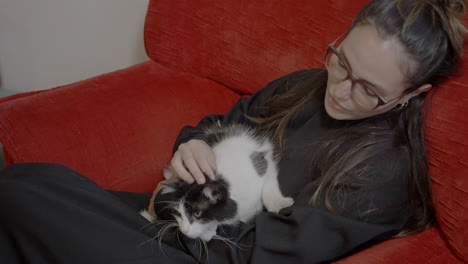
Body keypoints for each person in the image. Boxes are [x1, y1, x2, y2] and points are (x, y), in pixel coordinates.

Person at [0, 0, 466, 263]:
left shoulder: (383, 174)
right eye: (342, 61)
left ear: (410, 94)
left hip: (207, 253)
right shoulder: (307, 85)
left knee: (20, 202)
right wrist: (193, 145)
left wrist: (173, 219)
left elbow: (256, 255)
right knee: (32, 181)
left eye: (369, 90)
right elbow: (224, 124)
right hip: (179, 219)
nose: (342, 91)